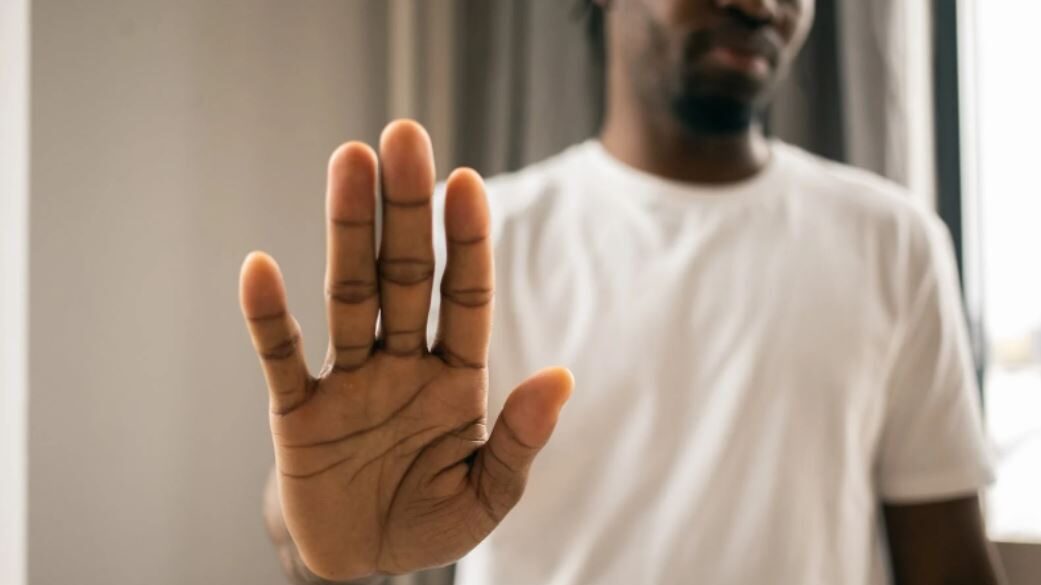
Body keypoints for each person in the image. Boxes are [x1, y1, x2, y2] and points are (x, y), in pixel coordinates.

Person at [239, 0, 1006, 583]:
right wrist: (323, 542)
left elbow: (948, 566)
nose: (763, 4)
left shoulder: (892, 241)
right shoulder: (473, 241)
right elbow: (318, 515)